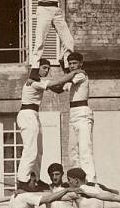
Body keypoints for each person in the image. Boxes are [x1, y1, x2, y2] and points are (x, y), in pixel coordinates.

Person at [15, 59, 83, 189]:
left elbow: (57, 89)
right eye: (44, 68)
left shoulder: (39, 82)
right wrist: (75, 72)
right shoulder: (34, 82)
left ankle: (36, 178)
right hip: (27, 114)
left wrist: (68, 79)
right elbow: (57, 82)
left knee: (39, 150)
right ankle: (22, 180)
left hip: (34, 114)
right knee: (31, 149)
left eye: (48, 68)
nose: (46, 71)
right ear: (37, 68)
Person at [63, 52, 97, 184]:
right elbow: (60, 87)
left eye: (74, 63)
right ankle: (76, 179)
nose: (72, 66)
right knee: (72, 150)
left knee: (84, 148)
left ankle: (90, 180)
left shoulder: (81, 74)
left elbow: (65, 80)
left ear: (80, 64)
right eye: (70, 64)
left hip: (83, 113)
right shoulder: (71, 78)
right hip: (73, 114)